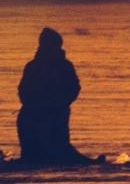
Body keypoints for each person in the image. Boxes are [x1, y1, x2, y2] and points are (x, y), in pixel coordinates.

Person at [15, 27, 87, 165]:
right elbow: (23, 90)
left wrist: (59, 104)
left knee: (56, 150)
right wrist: (36, 105)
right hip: (34, 114)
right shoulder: (34, 66)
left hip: (53, 113)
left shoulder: (61, 66)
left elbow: (73, 88)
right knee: (35, 154)